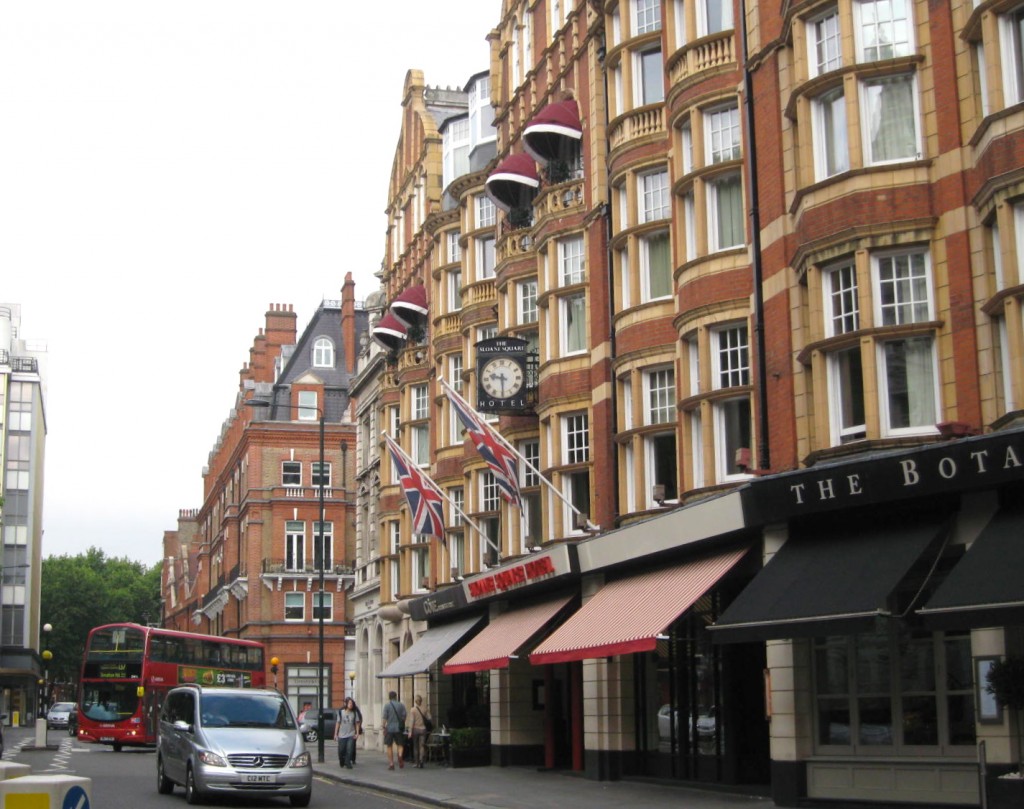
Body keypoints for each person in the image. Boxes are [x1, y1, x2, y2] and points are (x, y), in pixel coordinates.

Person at [381, 690, 407, 770]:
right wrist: (401, 723)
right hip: (399, 728)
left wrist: (383, 726)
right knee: (400, 744)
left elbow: (384, 717)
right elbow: (404, 716)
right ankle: (399, 755)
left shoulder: (387, 706)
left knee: (389, 745)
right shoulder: (401, 705)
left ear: (389, 697)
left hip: (390, 728)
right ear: (396, 696)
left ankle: (391, 763)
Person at [333, 697, 359, 769]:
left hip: (351, 734)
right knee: (341, 750)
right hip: (342, 735)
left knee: (349, 749)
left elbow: (357, 723)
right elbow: (338, 723)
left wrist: (357, 733)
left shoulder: (354, 713)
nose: (351, 705)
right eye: (349, 703)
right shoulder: (341, 712)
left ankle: (348, 763)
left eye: (352, 703)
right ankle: (342, 760)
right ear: (346, 704)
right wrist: (335, 734)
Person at [408, 694, 432, 768]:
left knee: (415, 746)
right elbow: (430, 718)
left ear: (415, 701)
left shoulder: (413, 710)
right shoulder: (425, 708)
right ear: (421, 701)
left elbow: (411, 721)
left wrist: (410, 731)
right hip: (423, 729)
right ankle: (421, 760)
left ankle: (416, 762)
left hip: (415, 729)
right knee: (422, 746)